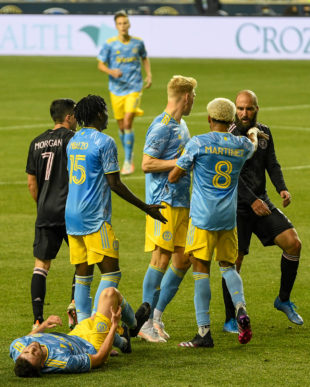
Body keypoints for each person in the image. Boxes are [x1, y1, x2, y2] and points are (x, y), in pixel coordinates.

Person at [169, 97, 265, 347]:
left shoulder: (198, 142)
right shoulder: (241, 144)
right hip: (227, 217)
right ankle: (240, 308)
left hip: (202, 218)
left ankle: (203, 333)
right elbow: (253, 144)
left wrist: (183, 167)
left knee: (200, 271)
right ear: (232, 120)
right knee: (228, 267)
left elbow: (174, 175)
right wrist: (253, 133)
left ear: (209, 119)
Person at [65, 94, 166, 331]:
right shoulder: (105, 142)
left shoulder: (73, 140)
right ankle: (96, 326)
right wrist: (146, 207)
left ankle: (99, 326)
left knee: (83, 275)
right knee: (111, 275)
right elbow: (115, 184)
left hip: (71, 216)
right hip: (94, 218)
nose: (108, 115)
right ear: (99, 114)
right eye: (106, 111)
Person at [222, 90, 303, 333]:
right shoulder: (228, 136)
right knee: (234, 262)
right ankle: (230, 318)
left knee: (293, 243)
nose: (244, 113)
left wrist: (282, 188)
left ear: (257, 108)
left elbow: (272, 164)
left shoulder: (264, 134)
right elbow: (230, 175)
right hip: (238, 206)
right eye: (240, 108)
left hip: (262, 201)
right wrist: (251, 200)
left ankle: (283, 299)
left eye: (248, 108)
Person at [139, 75, 196, 343]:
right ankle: (144, 322)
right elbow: (147, 164)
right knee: (160, 259)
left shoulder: (182, 124)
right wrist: (179, 161)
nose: (194, 100)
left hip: (182, 201)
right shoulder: (161, 127)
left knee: (183, 259)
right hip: (162, 203)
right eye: (193, 96)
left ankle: (157, 316)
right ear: (185, 97)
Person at [10, 287, 151, 376]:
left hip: (74, 335)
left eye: (26, 351)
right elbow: (99, 359)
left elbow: (27, 339)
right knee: (109, 293)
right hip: (91, 346)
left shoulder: (18, 348)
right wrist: (114, 325)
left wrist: (44, 324)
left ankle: (125, 342)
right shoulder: (64, 362)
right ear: (42, 364)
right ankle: (133, 325)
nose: (31, 348)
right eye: (34, 353)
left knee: (98, 317)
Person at [26, 99, 78, 330]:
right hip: (70, 210)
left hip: (45, 211)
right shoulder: (72, 139)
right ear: (68, 117)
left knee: (41, 265)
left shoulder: (36, 142)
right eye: (75, 115)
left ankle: (38, 320)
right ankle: (75, 309)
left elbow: (31, 183)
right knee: (82, 260)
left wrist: (43, 204)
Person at [97, 10, 152, 175]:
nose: (123, 26)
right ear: (116, 26)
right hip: (116, 89)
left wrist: (148, 74)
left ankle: (128, 160)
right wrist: (111, 71)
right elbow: (100, 64)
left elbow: (144, 58)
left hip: (134, 88)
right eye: (119, 24)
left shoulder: (138, 43)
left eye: (125, 23)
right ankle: (128, 153)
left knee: (128, 122)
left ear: (129, 24)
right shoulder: (110, 44)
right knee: (121, 126)